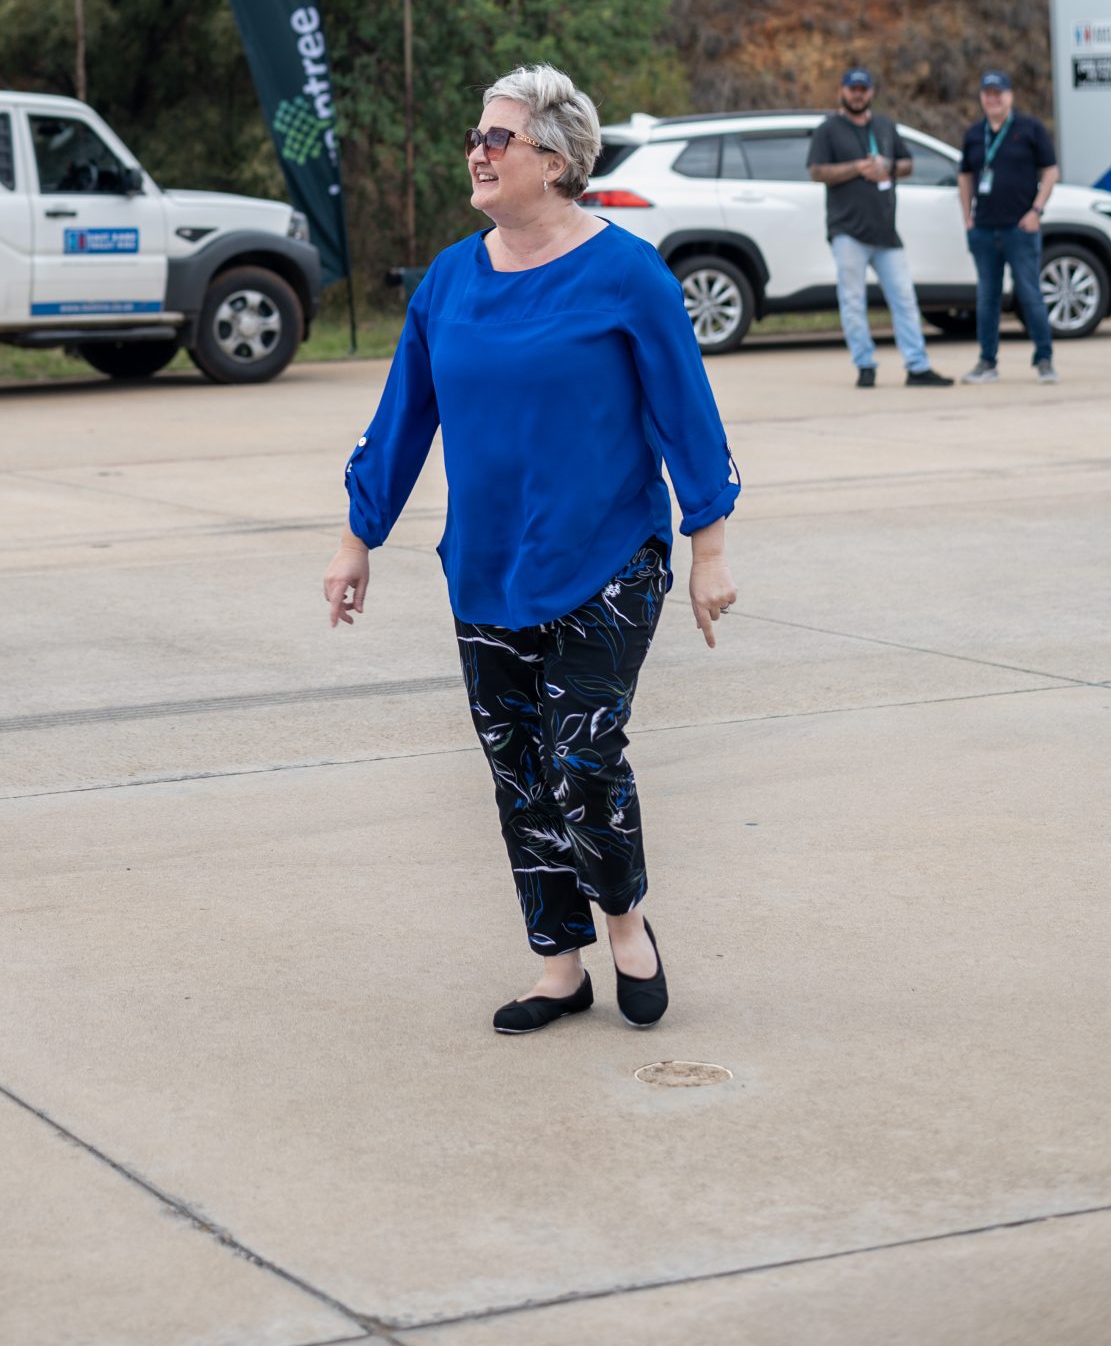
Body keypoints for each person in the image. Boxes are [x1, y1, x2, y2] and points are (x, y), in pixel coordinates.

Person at [323, 63, 739, 1039]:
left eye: (497, 137)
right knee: (515, 767)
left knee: (580, 759)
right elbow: (398, 424)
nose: (476, 150)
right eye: (474, 134)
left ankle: (624, 921)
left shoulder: (624, 273)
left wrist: (708, 545)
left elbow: (686, 415)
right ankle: (557, 967)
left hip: (604, 559)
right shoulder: (448, 281)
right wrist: (355, 537)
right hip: (485, 565)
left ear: (553, 160)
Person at [805, 66, 954, 390]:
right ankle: (865, 365)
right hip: (848, 230)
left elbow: (908, 163)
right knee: (853, 300)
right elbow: (816, 171)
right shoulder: (828, 129)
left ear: (871, 92)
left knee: (904, 298)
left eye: (863, 88)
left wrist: (888, 167)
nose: (857, 94)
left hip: (886, 232)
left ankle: (917, 366)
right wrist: (857, 168)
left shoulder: (885, 125)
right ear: (842, 91)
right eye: (852, 89)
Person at [958, 70, 1059, 383]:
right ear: (981, 98)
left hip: (1020, 228)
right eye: (987, 93)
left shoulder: (1030, 129)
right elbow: (964, 177)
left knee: (1029, 293)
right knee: (987, 297)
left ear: (1009, 96)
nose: (993, 99)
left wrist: (1036, 211)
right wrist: (968, 218)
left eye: (998, 93)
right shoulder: (974, 134)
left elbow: (1051, 171)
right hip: (985, 229)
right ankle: (987, 362)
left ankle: (1044, 359)